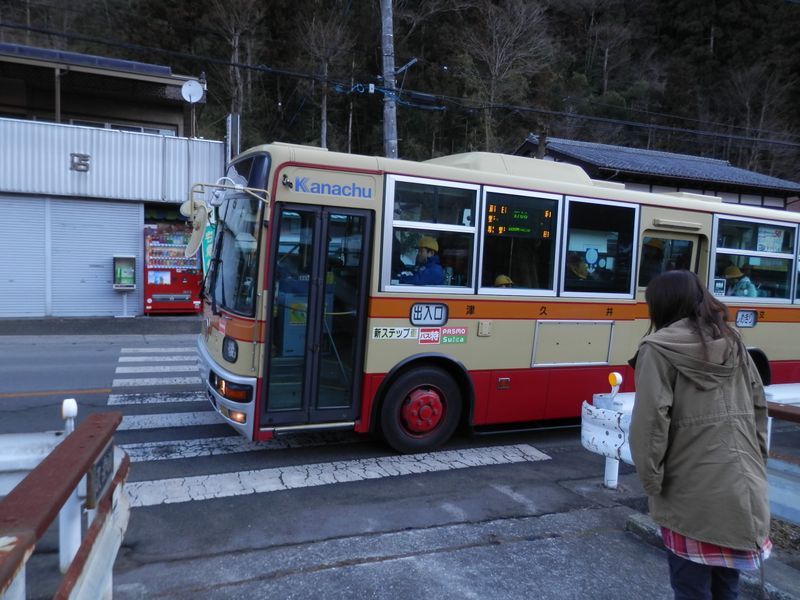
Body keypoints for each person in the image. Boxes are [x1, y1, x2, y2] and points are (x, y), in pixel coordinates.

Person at [629, 270, 770, 600]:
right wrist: (755, 464)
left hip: (689, 494)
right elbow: (759, 410)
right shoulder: (733, 342)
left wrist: (652, 483)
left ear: (661, 306)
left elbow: (649, 427)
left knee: (690, 588)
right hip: (742, 490)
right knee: (726, 587)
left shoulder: (658, 349)